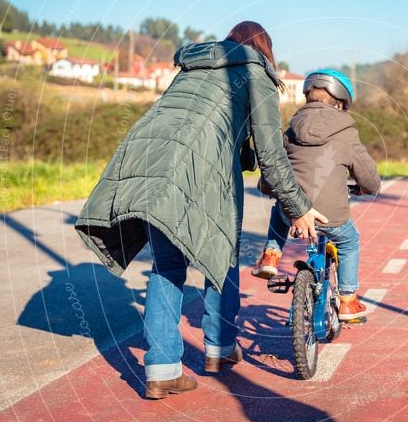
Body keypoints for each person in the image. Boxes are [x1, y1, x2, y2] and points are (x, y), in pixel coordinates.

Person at [74, 21, 327, 399]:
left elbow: (199, 122)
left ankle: (161, 368)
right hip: (199, 168)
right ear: (264, 51)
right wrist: (299, 208)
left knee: (168, 264)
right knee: (221, 252)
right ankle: (220, 348)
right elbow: (272, 156)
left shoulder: (193, 66)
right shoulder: (255, 71)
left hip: (145, 157)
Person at [251, 69, 381, 320]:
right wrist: (369, 187)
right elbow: (367, 175)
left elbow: (274, 167)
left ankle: (270, 256)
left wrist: (268, 189)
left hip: (293, 211)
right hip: (331, 217)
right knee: (349, 241)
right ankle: (347, 300)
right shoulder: (346, 132)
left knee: (279, 210)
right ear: (341, 103)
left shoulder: (291, 130)